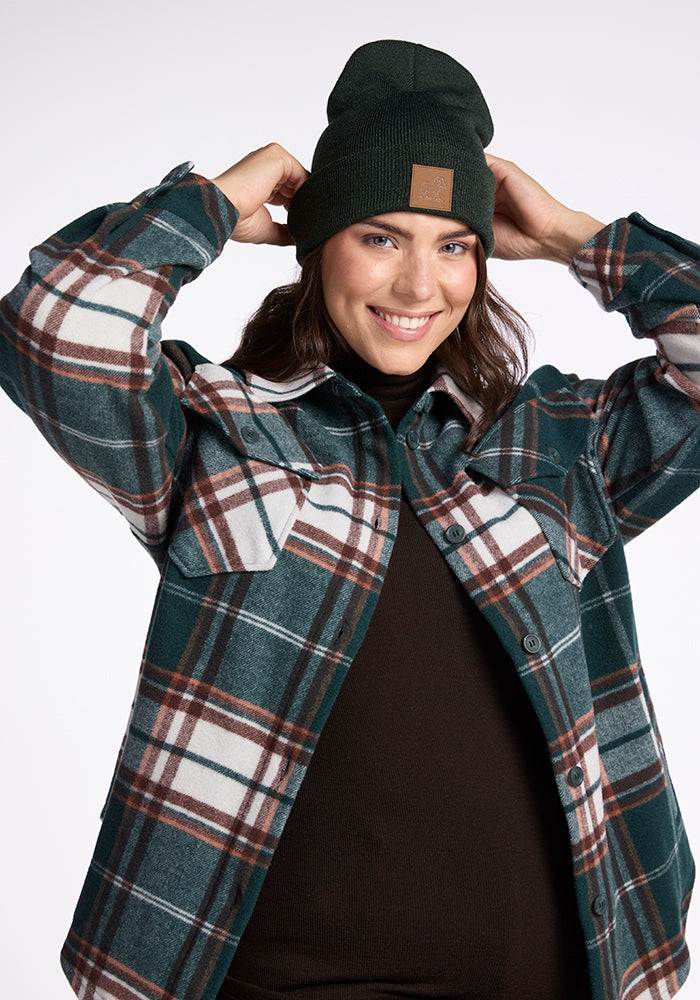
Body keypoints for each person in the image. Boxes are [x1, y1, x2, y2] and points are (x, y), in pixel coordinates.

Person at [0, 37, 697, 1000]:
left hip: (535, 973)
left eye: (454, 245)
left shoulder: (561, 442)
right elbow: (55, 328)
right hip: (263, 977)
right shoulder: (215, 429)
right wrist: (208, 202)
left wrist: (584, 240)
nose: (420, 288)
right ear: (315, 242)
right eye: (379, 236)